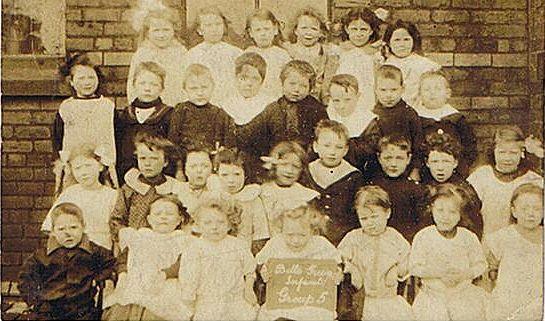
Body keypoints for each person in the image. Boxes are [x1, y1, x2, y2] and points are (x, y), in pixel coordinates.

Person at [19, 203, 116, 320]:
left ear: (83, 227)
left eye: (73, 227)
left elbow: (111, 263)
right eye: (61, 229)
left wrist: (98, 279)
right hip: (49, 310)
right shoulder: (42, 255)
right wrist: (35, 302)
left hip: (82, 310)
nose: (68, 233)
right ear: (53, 231)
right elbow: (25, 278)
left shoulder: (92, 251)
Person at [103, 195, 192, 321]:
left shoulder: (183, 240)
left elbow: (185, 262)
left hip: (166, 285)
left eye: (169, 213)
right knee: (124, 308)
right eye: (158, 213)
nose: (163, 217)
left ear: (179, 219)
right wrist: (123, 274)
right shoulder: (140, 237)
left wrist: (165, 274)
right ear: (149, 219)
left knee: (159, 312)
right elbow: (124, 258)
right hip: (137, 283)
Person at [410, 184, 487, 320]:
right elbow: (414, 267)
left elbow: (481, 264)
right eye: (440, 210)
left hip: (463, 295)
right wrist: (438, 273)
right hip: (433, 297)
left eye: (452, 212)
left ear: (460, 214)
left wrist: (464, 274)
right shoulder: (424, 236)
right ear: (431, 209)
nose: (446, 217)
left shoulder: (468, 237)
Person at [256, 204, 343, 321]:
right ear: (281, 229)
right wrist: (263, 270)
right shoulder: (275, 243)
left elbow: (336, 263)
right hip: (283, 300)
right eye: (289, 235)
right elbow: (260, 262)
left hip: (313, 301)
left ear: (313, 231)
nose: (295, 240)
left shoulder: (321, 244)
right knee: (272, 315)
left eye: (302, 235)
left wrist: (338, 273)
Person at [338, 185, 413, 321]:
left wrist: (397, 270)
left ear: (387, 213)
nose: (370, 223)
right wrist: (351, 268)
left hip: (389, 298)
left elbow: (408, 259)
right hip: (362, 300)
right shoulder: (354, 237)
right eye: (364, 219)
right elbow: (339, 257)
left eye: (374, 217)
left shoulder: (394, 237)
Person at [179, 197, 258, 320]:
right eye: (208, 223)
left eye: (220, 222)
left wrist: (248, 289)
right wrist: (189, 303)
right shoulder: (194, 248)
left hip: (236, 300)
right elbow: (188, 278)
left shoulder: (238, 245)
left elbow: (249, 270)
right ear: (198, 225)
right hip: (207, 302)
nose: (214, 227)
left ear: (229, 224)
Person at [237, 60, 328, 160]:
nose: (297, 89)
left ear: (310, 88)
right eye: (292, 84)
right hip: (277, 157)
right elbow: (251, 133)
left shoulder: (316, 108)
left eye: (303, 86)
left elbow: (325, 136)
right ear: (282, 83)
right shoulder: (274, 107)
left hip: (306, 158)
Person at [53, 53, 117, 190]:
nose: (87, 82)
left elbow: (116, 134)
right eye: (81, 78)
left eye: (91, 77)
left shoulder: (107, 106)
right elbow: (58, 138)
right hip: (75, 167)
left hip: (102, 166)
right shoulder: (67, 107)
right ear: (71, 81)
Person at [467, 126, 543, 237]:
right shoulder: (481, 177)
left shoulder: (532, 180)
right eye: (502, 152)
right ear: (493, 151)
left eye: (513, 153)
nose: (507, 158)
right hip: (487, 241)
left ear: (522, 153)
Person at [483, 184, 543, 321]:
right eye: (524, 208)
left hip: (537, 302)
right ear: (514, 211)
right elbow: (489, 273)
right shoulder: (503, 237)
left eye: (537, 209)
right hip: (507, 302)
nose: (530, 213)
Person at [110, 132, 183, 243]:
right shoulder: (130, 188)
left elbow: (182, 219)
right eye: (143, 158)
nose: (147, 163)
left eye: (153, 158)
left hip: (166, 244)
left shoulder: (173, 189)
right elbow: (116, 219)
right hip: (135, 244)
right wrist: (126, 236)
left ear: (165, 162)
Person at [42, 144, 118, 250]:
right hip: (74, 251)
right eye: (78, 168)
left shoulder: (112, 196)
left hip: (102, 253)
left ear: (100, 166)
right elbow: (51, 227)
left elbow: (117, 232)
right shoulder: (70, 194)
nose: (83, 173)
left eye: (88, 166)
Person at [300, 120, 364, 245]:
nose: (332, 152)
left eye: (339, 147)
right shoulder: (306, 171)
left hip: (341, 238)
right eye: (327, 146)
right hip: (307, 236)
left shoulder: (353, 176)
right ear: (316, 146)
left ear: (345, 150)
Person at [168, 63, 236, 179]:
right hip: (186, 166)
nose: (200, 93)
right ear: (185, 89)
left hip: (212, 167)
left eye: (204, 87)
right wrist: (179, 169)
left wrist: (221, 154)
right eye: (194, 88)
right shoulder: (181, 110)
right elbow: (173, 142)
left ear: (212, 86)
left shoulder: (219, 113)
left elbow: (229, 144)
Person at [355, 64, 423, 177]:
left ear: (402, 89)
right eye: (383, 90)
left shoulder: (409, 114)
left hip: (403, 168)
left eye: (393, 90)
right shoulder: (372, 114)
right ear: (375, 90)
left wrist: (415, 169)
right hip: (378, 168)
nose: (388, 95)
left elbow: (418, 144)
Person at [116, 61, 175, 181]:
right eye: (142, 83)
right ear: (134, 85)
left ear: (162, 88)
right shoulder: (126, 115)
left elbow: (171, 149)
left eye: (154, 84)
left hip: (160, 174)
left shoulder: (168, 114)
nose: (147, 88)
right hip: (128, 174)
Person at [420, 131, 483, 238]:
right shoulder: (422, 188)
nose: (440, 168)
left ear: (455, 163)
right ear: (427, 162)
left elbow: (474, 225)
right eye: (435, 161)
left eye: (446, 161)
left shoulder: (464, 190)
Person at [416, 71, 477, 178]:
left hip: (453, 172)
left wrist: (461, 167)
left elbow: (469, 146)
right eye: (427, 89)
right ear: (420, 94)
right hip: (424, 173)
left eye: (438, 89)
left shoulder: (456, 119)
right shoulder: (416, 119)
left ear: (448, 93)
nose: (432, 93)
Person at [366, 135, 427, 242]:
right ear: (379, 158)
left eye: (399, 158)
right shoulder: (372, 187)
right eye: (388, 158)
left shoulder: (416, 189)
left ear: (408, 159)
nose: (393, 164)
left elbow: (421, 224)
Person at [126, 7, 187, 106]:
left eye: (166, 30)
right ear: (147, 33)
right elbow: (132, 85)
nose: (161, 35)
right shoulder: (142, 54)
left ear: (174, 31)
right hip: (150, 106)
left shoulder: (181, 53)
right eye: (156, 30)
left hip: (176, 103)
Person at [212, 148, 269, 253]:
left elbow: (261, 233)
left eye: (237, 174)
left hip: (245, 252)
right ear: (217, 175)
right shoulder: (213, 197)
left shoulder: (253, 199)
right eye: (225, 175)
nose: (231, 180)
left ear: (245, 175)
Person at [183, 6, 243, 105]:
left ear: (224, 27)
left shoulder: (236, 53)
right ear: (200, 30)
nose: (214, 29)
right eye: (208, 25)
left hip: (230, 103)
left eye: (218, 24)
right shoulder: (192, 55)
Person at [259, 141, 319, 236]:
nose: (289, 171)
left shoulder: (305, 196)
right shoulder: (262, 191)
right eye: (284, 165)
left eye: (295, 166)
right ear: (274, 165)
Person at [283, 7, 339, 101]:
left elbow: (328, 80)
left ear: (321, 32)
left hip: (315, 98)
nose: (308, 32)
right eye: (304, 28)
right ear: (295, 30)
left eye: (314, 29)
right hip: (292, 95)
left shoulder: (326, 51)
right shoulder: (289, 50)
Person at [382, 20, 441, 107]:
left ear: (414, 41)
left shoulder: (425, 65)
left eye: (406, 39)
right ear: (389, 43)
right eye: (397, 40)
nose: (402, 44)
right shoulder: (385, 66)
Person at [335, 7, 383, 105]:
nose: (358, 34)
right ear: (346, 29)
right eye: (354, 29)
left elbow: (379, 79)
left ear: (371, 31)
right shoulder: (339, 51)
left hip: (367, 96)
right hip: (342, 96)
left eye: (363, 29)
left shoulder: (375, 53)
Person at [244, 8, 291, 99]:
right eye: (258, 30)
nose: (263, 34)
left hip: (276, 98)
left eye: (266, 29)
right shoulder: (247, 54)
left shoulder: (282, 55)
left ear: (275, 30)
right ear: (251, 33)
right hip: (254, 98)